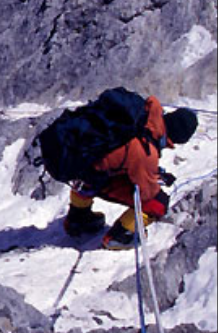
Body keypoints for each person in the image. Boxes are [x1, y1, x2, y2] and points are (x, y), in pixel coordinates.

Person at [62, 96, 198, 250]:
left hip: (77, 163)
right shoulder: (147, 149)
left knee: (90, 176)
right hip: (95, 176)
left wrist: (150, 172)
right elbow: (146, 193)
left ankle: (78, 218)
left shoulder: (142, 116)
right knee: (158, 203)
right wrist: (153, 178)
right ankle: (120, 236)